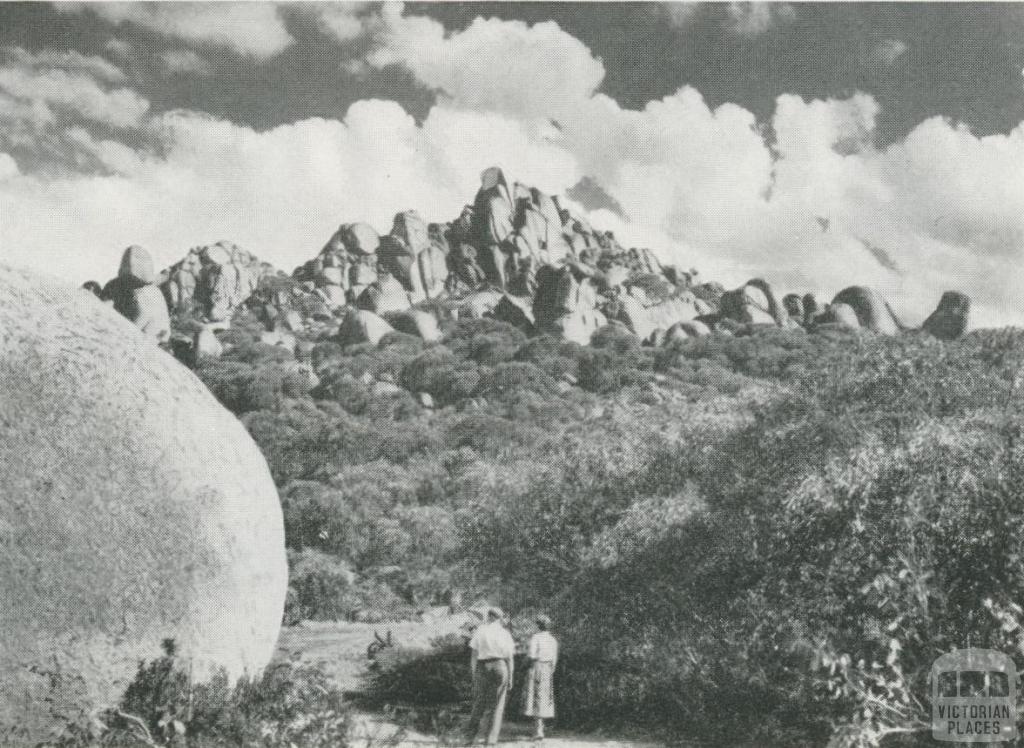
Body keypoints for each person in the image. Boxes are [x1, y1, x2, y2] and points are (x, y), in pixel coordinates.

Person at [465, 606, 515, 745]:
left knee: (478, 703)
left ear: (489, 617)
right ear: (499, 618)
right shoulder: (505, 633)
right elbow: (509, 658)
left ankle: (469, 738)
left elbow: (474, 654)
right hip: (500, 666)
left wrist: (474, 672)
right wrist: (511, 676)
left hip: (482, 666)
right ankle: (490, 741)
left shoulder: (480, 631)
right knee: (496, 705)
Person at [523, 614, 558, 741]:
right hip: (548, 668)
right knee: (544, 696)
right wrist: (550, 671)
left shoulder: (536, 637)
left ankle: (538, 730)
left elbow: (532, 655)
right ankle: (539, 728)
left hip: (537, 666)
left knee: (536, 696)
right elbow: (554, 660)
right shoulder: (553, 640)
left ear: (538, 625)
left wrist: (524, 665)